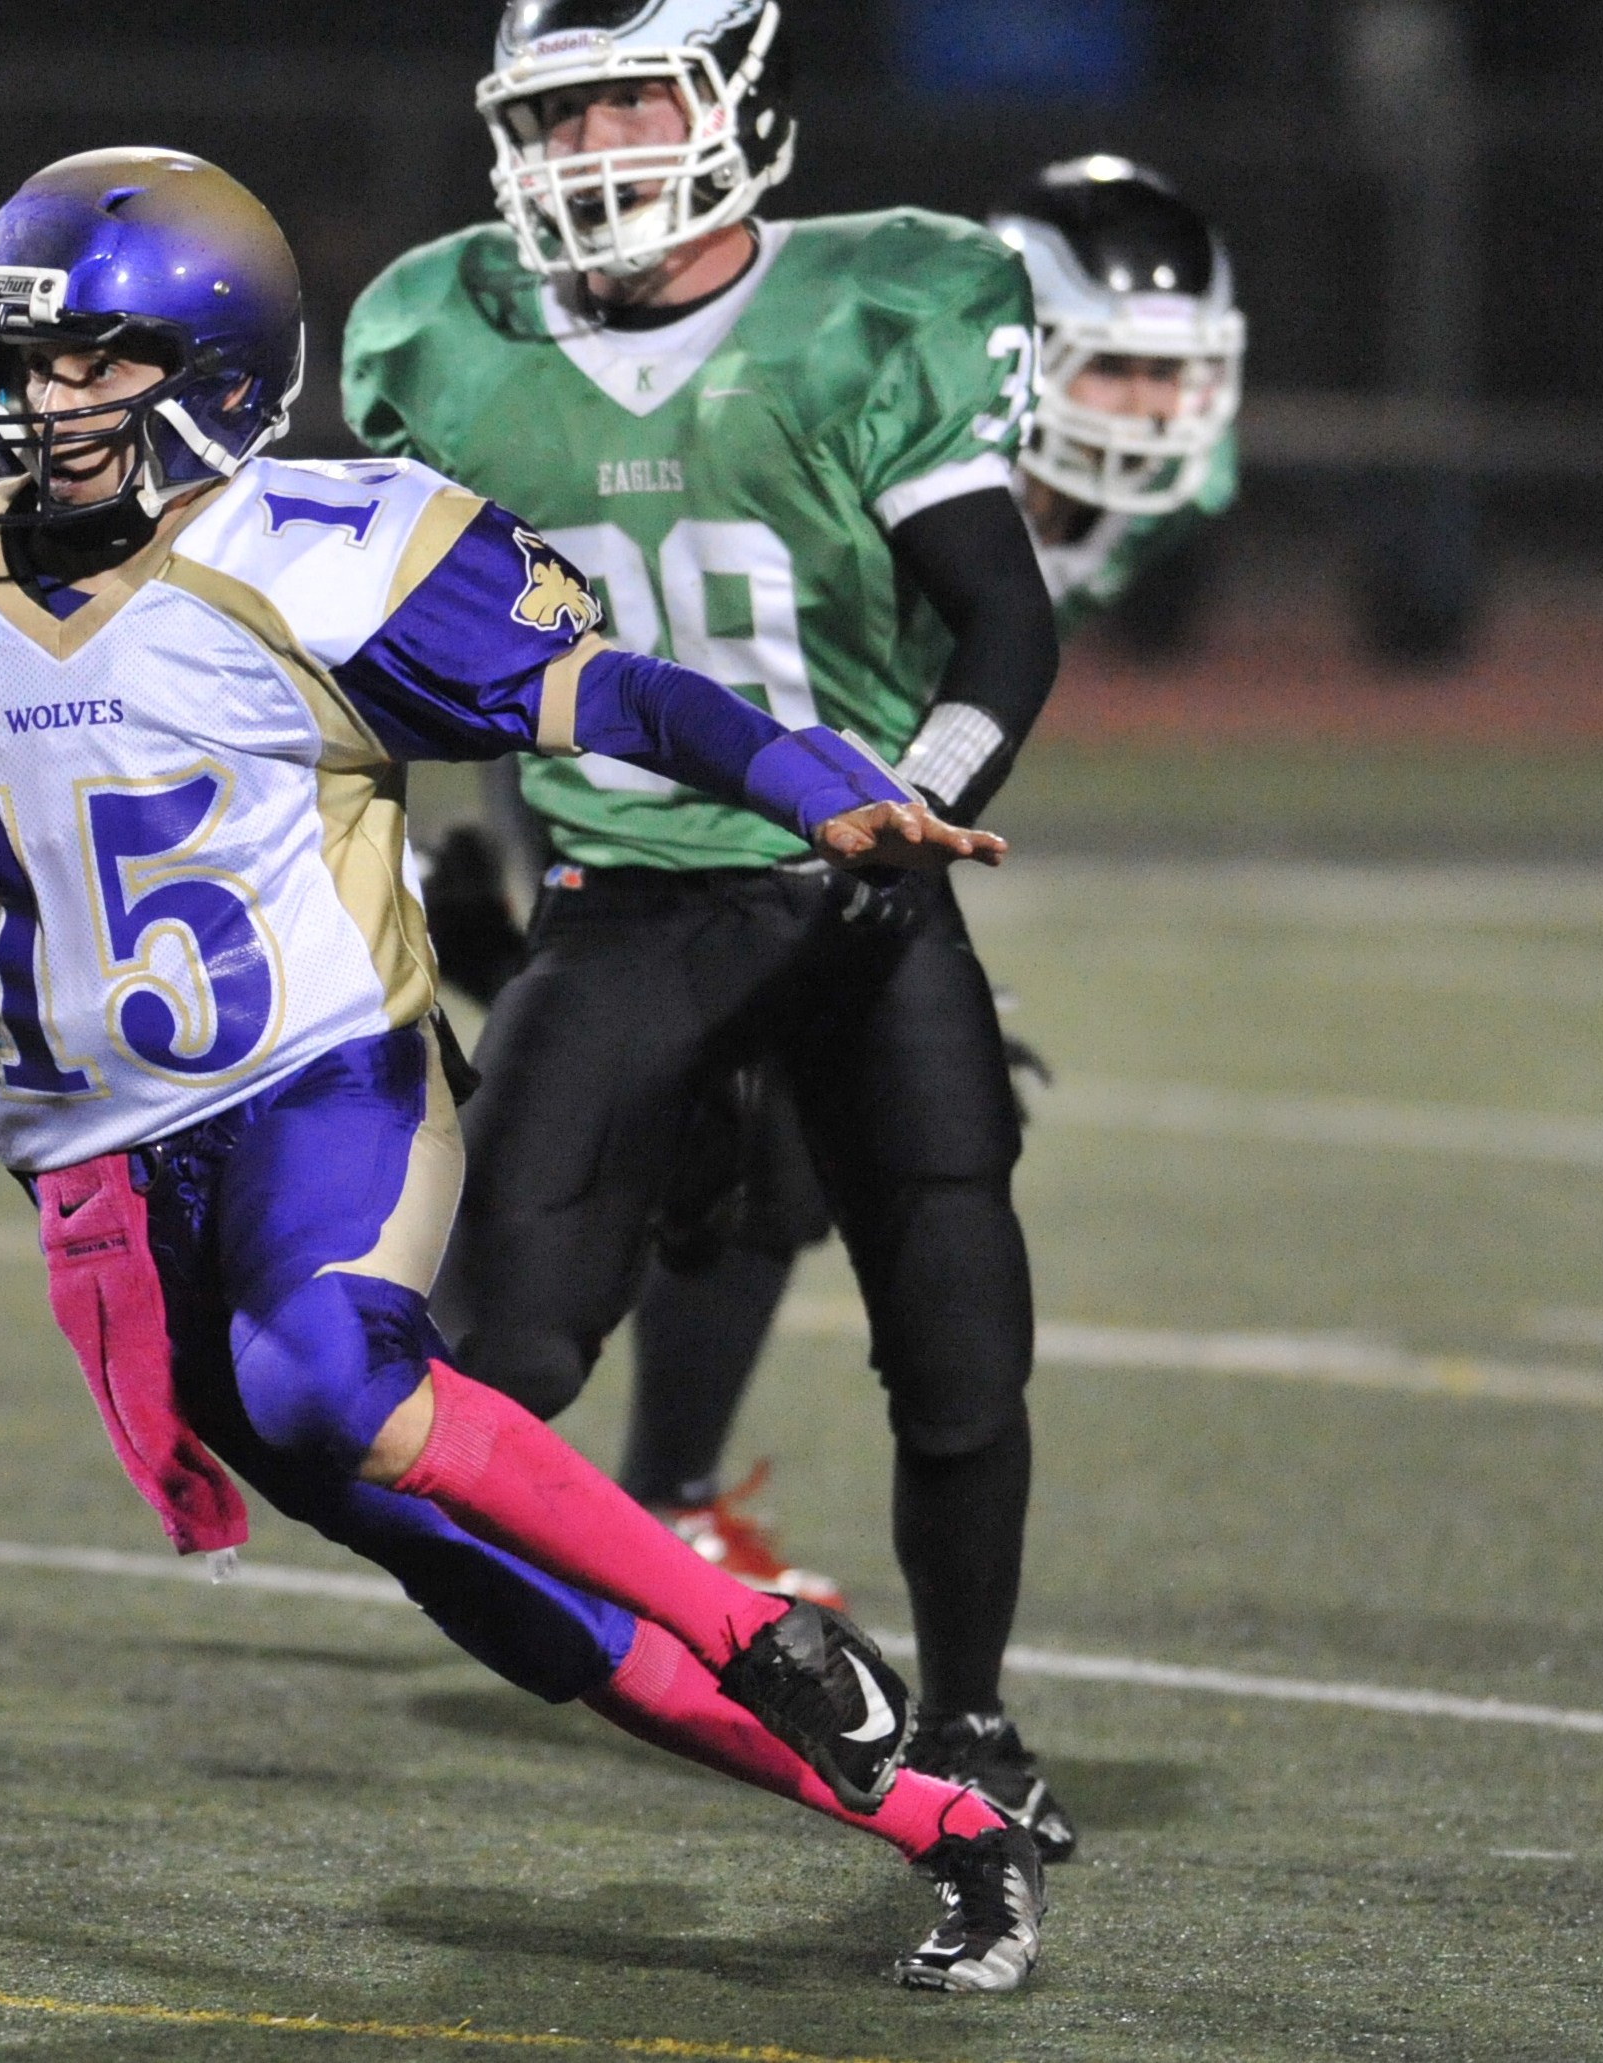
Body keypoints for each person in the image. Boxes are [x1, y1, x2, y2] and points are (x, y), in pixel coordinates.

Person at [0, 146, 1046, 1993]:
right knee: (483, 1588)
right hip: (94, 1169)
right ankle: (939, 1830)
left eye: (93, 364)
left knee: (329, 1369)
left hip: (317, 1089)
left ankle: (756, 1628)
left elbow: (624, 698)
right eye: (16, 366)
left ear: (224, 374)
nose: (41, 409)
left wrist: (809, 776)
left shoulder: (330, 557)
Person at [342, 0, 1079, 1860]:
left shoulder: (880, 305)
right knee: (480, 1356)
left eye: (628, 99)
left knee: (955, 1335)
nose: (594, 144)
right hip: (624, 889)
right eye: (561, 109)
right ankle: (679, 1638)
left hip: (854, 883)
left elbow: (1002, 617)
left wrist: (916, 803)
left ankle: (972, 1714)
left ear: (730, 97)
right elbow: (385, 660)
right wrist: (428, 894)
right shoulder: (446, 336)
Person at [545, 154, 1250, 1855]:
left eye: (1170, 372)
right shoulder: (885, 421)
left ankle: (673, 1503)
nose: (1143, 407)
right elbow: (643, 653)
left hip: (839, 851)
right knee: (729, 1169)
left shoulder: (1121, 499)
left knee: (812, 1179)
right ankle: (624, 1511)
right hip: (648, 824)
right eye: (1108, 366)